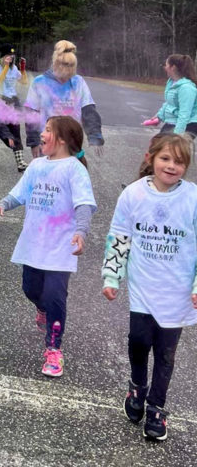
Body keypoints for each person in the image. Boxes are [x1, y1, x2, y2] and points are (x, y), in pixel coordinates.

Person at [102, 133, 197, 442]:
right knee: (139, 342)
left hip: (177, 293)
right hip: (143, 288)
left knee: (166, 354)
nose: (171, 166)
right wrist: (112, 276)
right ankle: (137, 387)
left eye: (179, 162)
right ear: (151, 157)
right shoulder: (133, 194)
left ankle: (156, 407)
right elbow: (119, 236)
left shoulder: (193, 198)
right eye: (165, 158)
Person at [0, 116, 96, 377]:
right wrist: (3, 203)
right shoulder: (36, 165)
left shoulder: (74, 169)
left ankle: (53, 349)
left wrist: (81, 231)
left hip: (61, 247)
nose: (42, 134)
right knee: (30, 288)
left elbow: (84, 204)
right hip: (34, 243)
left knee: (55, 298)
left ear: (62, 139)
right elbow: (20, 192)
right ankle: (42, 309)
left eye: (48, 130)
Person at [24, 40, 104, 158]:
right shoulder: (40, 82)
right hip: (47, 142)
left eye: (71, 68)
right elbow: (31, 113)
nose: (67, 74)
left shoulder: (78, 82)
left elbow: (89, 110)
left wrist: (95, 136)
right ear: (56, 64)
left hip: (72, 142)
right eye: (65, 67)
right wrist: (33, 142)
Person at [0, 43, 28, 172]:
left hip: (12, 102)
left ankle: (20, 162)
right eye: (8, 56)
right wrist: (5, 67)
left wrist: (22, 68)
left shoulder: (14, 68)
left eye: (12, 56)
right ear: (3, 56)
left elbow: (24, 81)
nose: (11, 58)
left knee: (15, 130)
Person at [142, 55, 197, 138]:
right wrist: (159, 117)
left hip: (187, 125)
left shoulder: (187, 88)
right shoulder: (171, 82)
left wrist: (177, 136)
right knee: (158, 145)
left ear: (173, 67)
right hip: (172, 121)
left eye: (166, 65)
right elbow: (169, 103)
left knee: (166, 148)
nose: (165, 68)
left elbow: (184, 114)